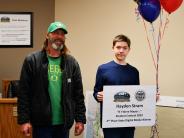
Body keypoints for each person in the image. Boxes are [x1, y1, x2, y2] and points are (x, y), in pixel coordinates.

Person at [17, 21, 86, 138]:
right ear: (47, 35)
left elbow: (78, 94)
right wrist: (24, 120)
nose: (59, 37)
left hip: (63, 124)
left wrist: (80, 119)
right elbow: (24, 93)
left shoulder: (71, 63)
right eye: (56, 33)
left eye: (62, 34)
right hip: (41, 124)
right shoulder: (32, 60)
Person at [93, 34, 140, 138]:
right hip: (110, 121)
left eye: (124, 48)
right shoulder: (103, 69)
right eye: (118, 47)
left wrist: (151, 97)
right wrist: (98, 96)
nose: (121, 50)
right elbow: (96, 92)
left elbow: (137, 96)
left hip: (129, 121)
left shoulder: (134, 72)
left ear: (129, 50)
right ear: (113, 48)